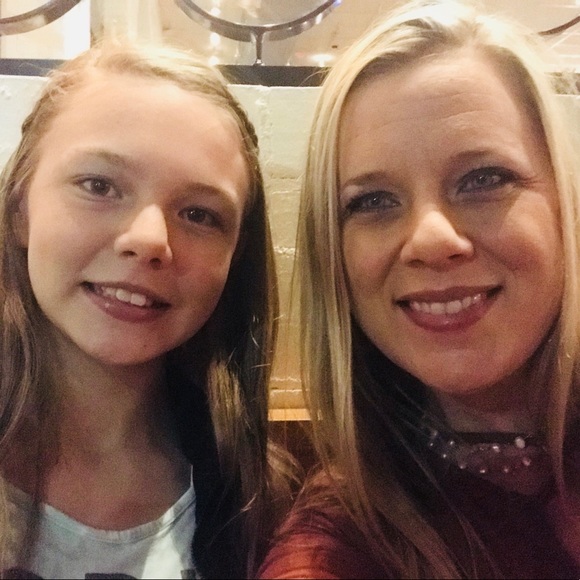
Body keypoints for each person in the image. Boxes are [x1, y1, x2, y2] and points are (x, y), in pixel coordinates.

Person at [258, 0, 580, 577]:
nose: (431, 240)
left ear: (564, 206)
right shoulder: (332, 551)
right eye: (373, 201)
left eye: (484, 179)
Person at [0, 41, 291, 579]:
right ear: (21, 208)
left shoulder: (263, 504)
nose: (149, 239)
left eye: (199, 214)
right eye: (99, 186)